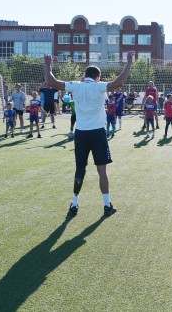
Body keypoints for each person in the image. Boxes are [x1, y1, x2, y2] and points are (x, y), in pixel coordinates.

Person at [44, 51, 135, 218]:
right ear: (98, 77)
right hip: (98, 134)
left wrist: (48, 64)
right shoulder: (99, 86)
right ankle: (107, 206)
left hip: (81, 134)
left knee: (80, 169)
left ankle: (74, 204)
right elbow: (119, 82)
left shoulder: (76, 85)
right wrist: (129, 62)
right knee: (102, 170)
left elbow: (50, 81)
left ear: (84, 75)